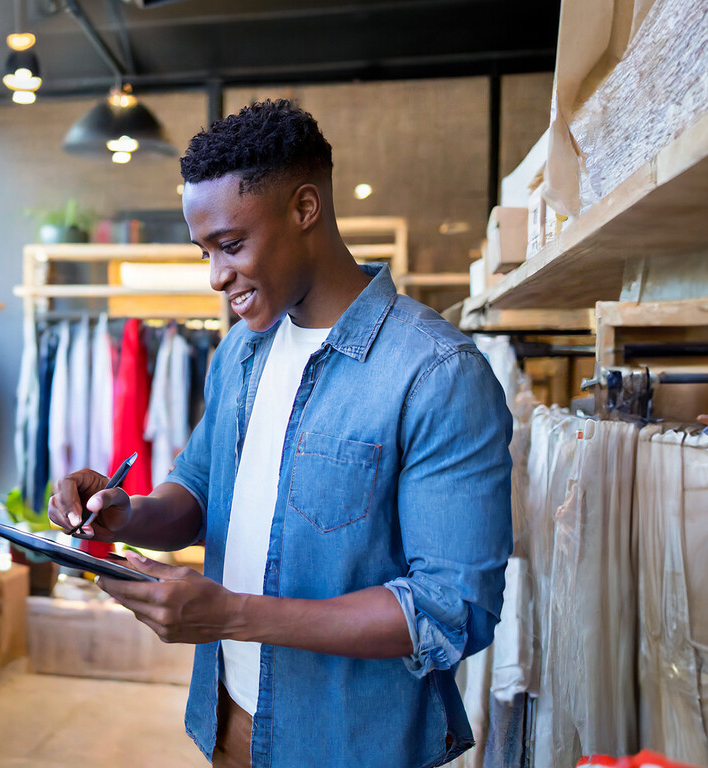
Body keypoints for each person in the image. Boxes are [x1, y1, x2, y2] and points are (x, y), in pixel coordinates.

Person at [48, 99, 513, 768]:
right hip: (228, 718)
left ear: (304, 209)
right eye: (205, 250)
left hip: (351, 743)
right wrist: (124, 516)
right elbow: (203, 495)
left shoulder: (437, 374)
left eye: (231, 245)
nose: (216, 276)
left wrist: (233, 614)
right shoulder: (240, 352)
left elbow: (452, 609)